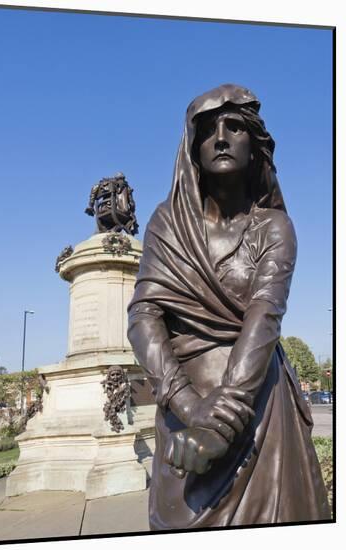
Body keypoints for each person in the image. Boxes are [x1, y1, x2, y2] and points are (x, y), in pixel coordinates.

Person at [127, 84, 330, 529]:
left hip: (258, 408)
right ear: (192, 148)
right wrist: (188, 405)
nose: (220, 137)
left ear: (254, 146)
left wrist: (219, 424)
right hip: (184, 414)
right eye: (207, 130)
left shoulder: (274, 228)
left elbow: (265, 316)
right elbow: (143, 316)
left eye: (234, 126)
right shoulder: (167, 224)